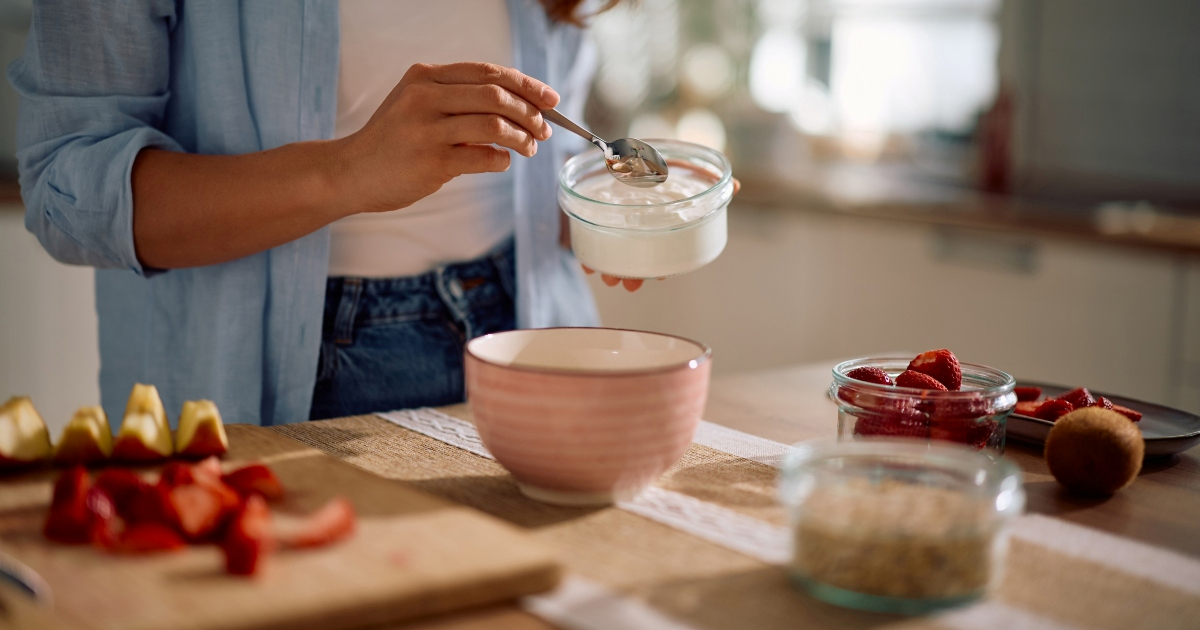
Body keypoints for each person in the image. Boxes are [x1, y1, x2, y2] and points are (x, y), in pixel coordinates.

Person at [10, 0, 626, 426]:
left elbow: (546, 162)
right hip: (279, 391)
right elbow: (69, 188)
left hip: (536, 344)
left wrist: (614, 210)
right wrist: (351, 170)